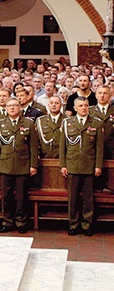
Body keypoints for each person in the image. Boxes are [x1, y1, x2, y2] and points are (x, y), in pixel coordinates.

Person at [0, 97, 39, 234]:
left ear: (20, 107)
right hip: (5, 165)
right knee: (6, 197)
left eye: (15, 105)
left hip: (23, 165)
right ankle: (7, 221)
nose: (12, 108)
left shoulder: (28, 123)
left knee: (21, 197)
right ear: (6, 108)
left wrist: (33, 165)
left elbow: (33, 147)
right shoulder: (0, 124)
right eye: (9, 106)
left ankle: (21, 222)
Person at [60, 96, 103, 236]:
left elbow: (99, 148)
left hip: (89, 165)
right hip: (72, 165)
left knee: (88, 198)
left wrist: (98, 166)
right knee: (72, 198)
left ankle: (87, 225)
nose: (84, 108)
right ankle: (73, 224)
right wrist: (63, 165)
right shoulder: (67, 123)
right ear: (75, 108)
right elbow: (63, 147)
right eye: (81, 106)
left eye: (86, 105)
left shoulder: (96, 123)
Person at [36, 95, 64, 159]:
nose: (54, 105)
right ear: (48, 105)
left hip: (62, 158)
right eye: (51, 103)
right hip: (45, 158)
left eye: (56, 103)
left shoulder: (67, 120)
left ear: (61, 105)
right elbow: (36, 140)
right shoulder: (40, 120)